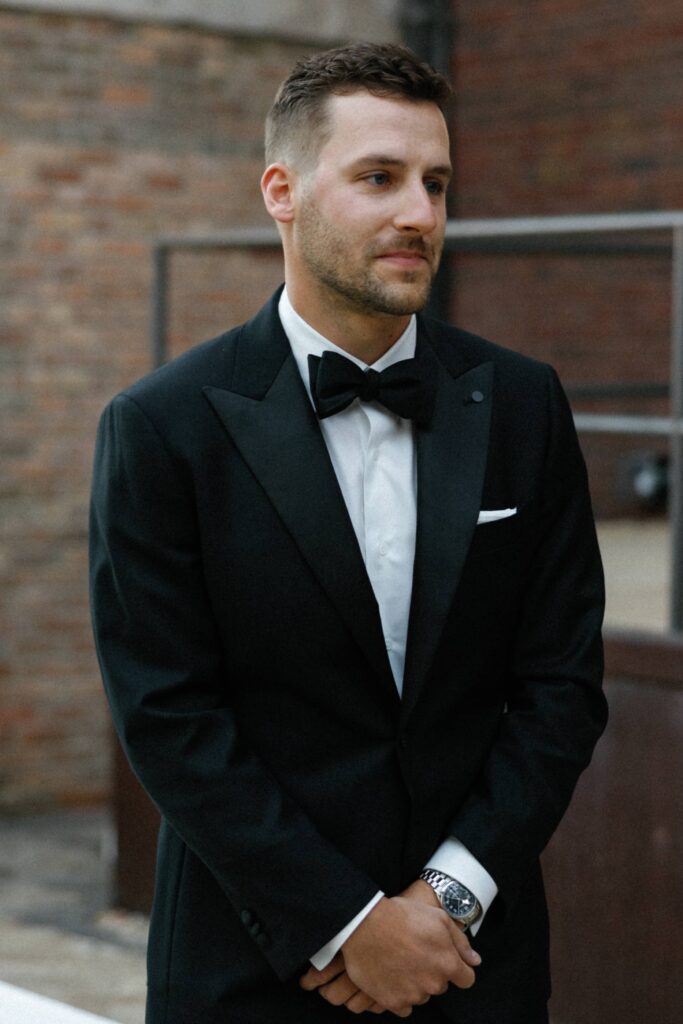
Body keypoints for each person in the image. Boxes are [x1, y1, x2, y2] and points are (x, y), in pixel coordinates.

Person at [89, 42, 607, 1024]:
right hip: (249, 970)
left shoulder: (523, 403)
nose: (419, 212)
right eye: (378, 178)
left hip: (470, 967)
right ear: (281, 191)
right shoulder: (163, 426)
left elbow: (560, 688)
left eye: (435, 183)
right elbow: (169, 715)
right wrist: (347, 922)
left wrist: (443, 899)